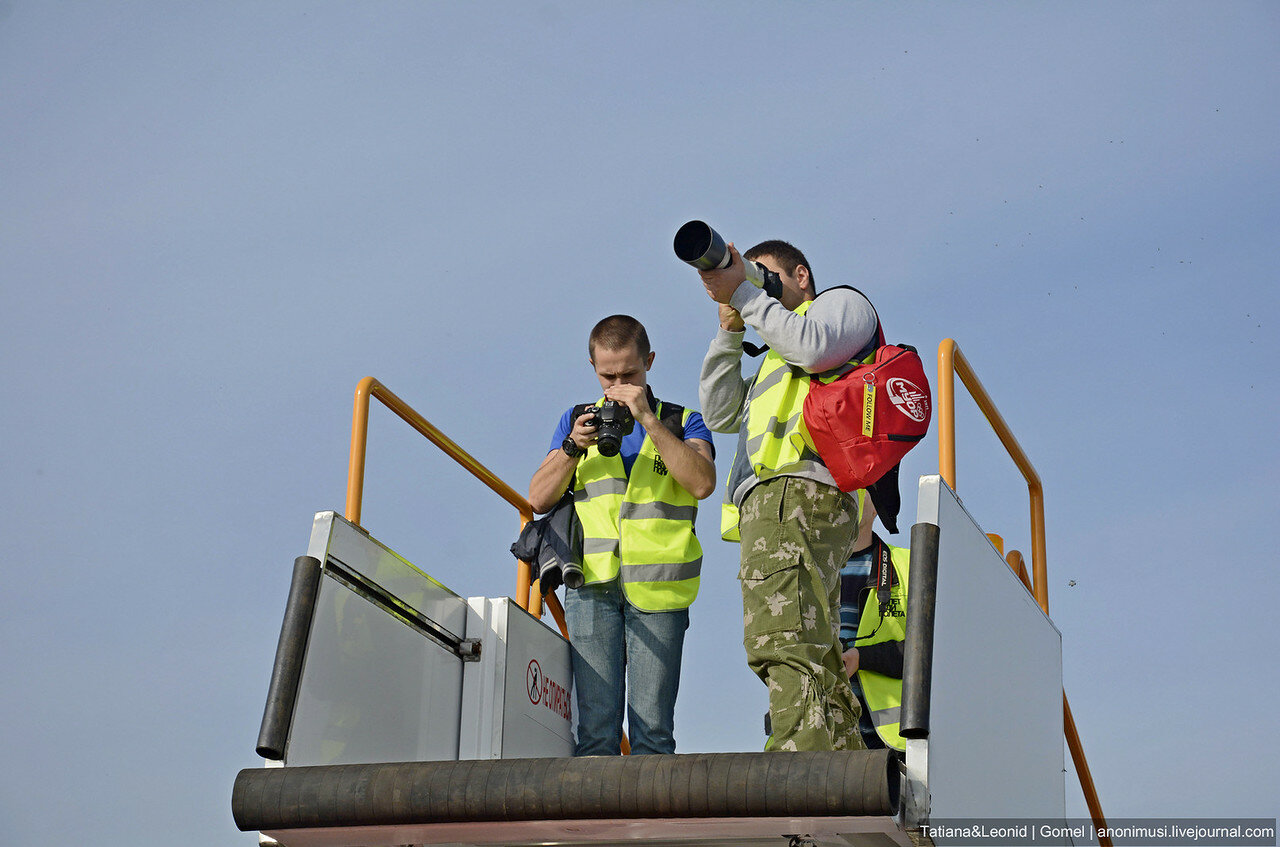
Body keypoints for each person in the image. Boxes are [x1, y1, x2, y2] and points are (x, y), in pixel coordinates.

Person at [696, 238, 880, 752]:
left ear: (801, 275)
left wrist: (750, 296)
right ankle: (838, 761)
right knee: (810, 641)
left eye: (765, 276)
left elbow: (814, 346)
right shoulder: (778, 352)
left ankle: (802, 765)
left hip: (796, 494)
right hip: (777, 502)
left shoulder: (838, 308)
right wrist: (729, 332)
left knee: (781, 638)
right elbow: (720, 414)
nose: (756, 290)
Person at [528, 314, 716, 756]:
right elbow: (537, 497)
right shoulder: (576, 420)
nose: (617, 385)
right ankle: (599, 827)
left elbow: (702, 483)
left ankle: (651, 827)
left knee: (653, 734)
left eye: (629, 374)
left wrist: (648, 419)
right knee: (595, 734)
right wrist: (573, 446)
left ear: (649, 362)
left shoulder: (683, 420)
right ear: (592, 368)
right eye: (607, 375)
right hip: (591, 585)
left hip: (661, 588)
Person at [839, 498, 909, 751]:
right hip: (816, 748)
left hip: (889, 749)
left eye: (863, 487)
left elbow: (937, 651)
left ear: (877, 501)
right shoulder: (801, 570)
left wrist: (864, 658)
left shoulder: (910, 565)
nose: (852, 494)